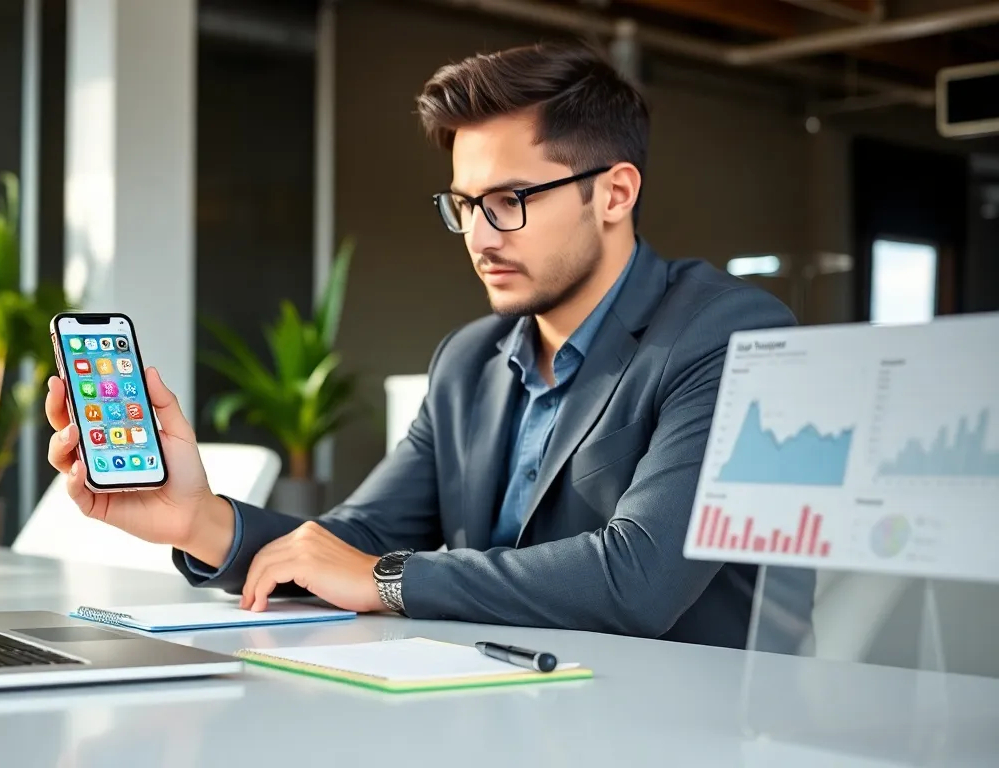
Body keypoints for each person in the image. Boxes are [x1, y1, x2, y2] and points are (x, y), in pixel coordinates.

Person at [44, 38, 803, 649]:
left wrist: (389, 580)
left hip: (680, 728)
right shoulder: (470, 360)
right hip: (494, 710)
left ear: (613, 192)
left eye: (509, 201)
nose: (477, 236)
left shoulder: (728, 333)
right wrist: (198, 519)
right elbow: (353, 541)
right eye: (465, 203)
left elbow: (637, 580)